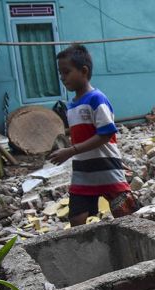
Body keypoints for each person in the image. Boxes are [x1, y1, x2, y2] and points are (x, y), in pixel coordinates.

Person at [48, 44, 136, 227]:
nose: (62, 77)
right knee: (76, 219)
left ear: (84, 71)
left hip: (107, 169)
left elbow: (106, 133)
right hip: (83, 171)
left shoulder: (97, 99)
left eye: (66, 72)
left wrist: (70, 151)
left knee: (125, 214)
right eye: (60, 73)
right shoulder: (72, 105)